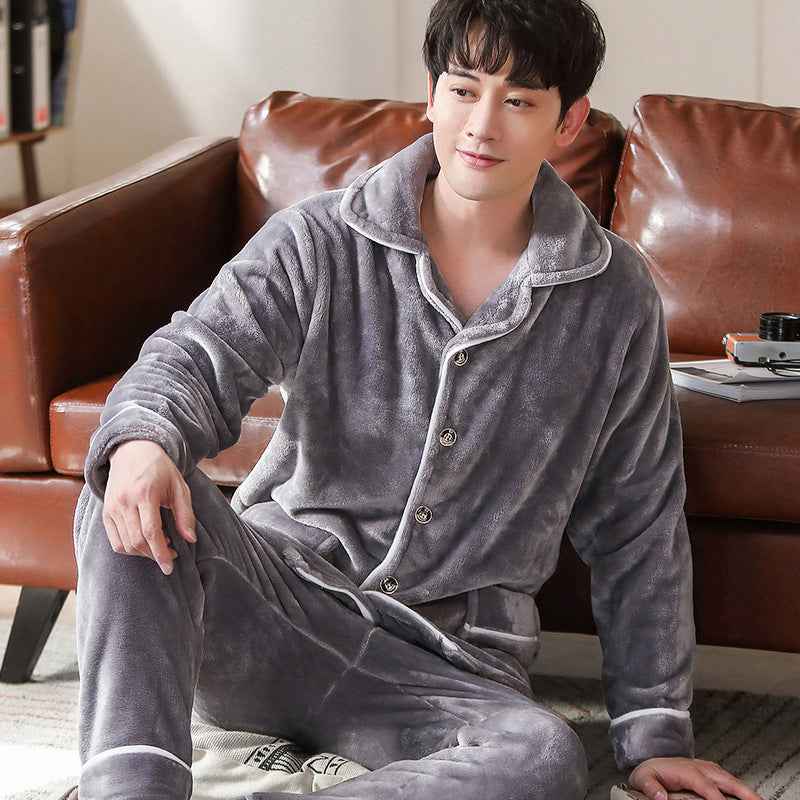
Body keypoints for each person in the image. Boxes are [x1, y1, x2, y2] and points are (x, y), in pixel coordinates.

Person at [72, 2, 764, 800]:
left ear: (568, 121)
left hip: (445, 667)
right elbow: (198, 353)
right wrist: (145, 441)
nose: (482, 125)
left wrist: (654, 733)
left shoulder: (613, 296)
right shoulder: (319, 239)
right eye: (464, 90)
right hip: (277, 612)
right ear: (431, 94)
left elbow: (637, 520)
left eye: (518, 101)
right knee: (129, 476)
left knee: (542, 759)